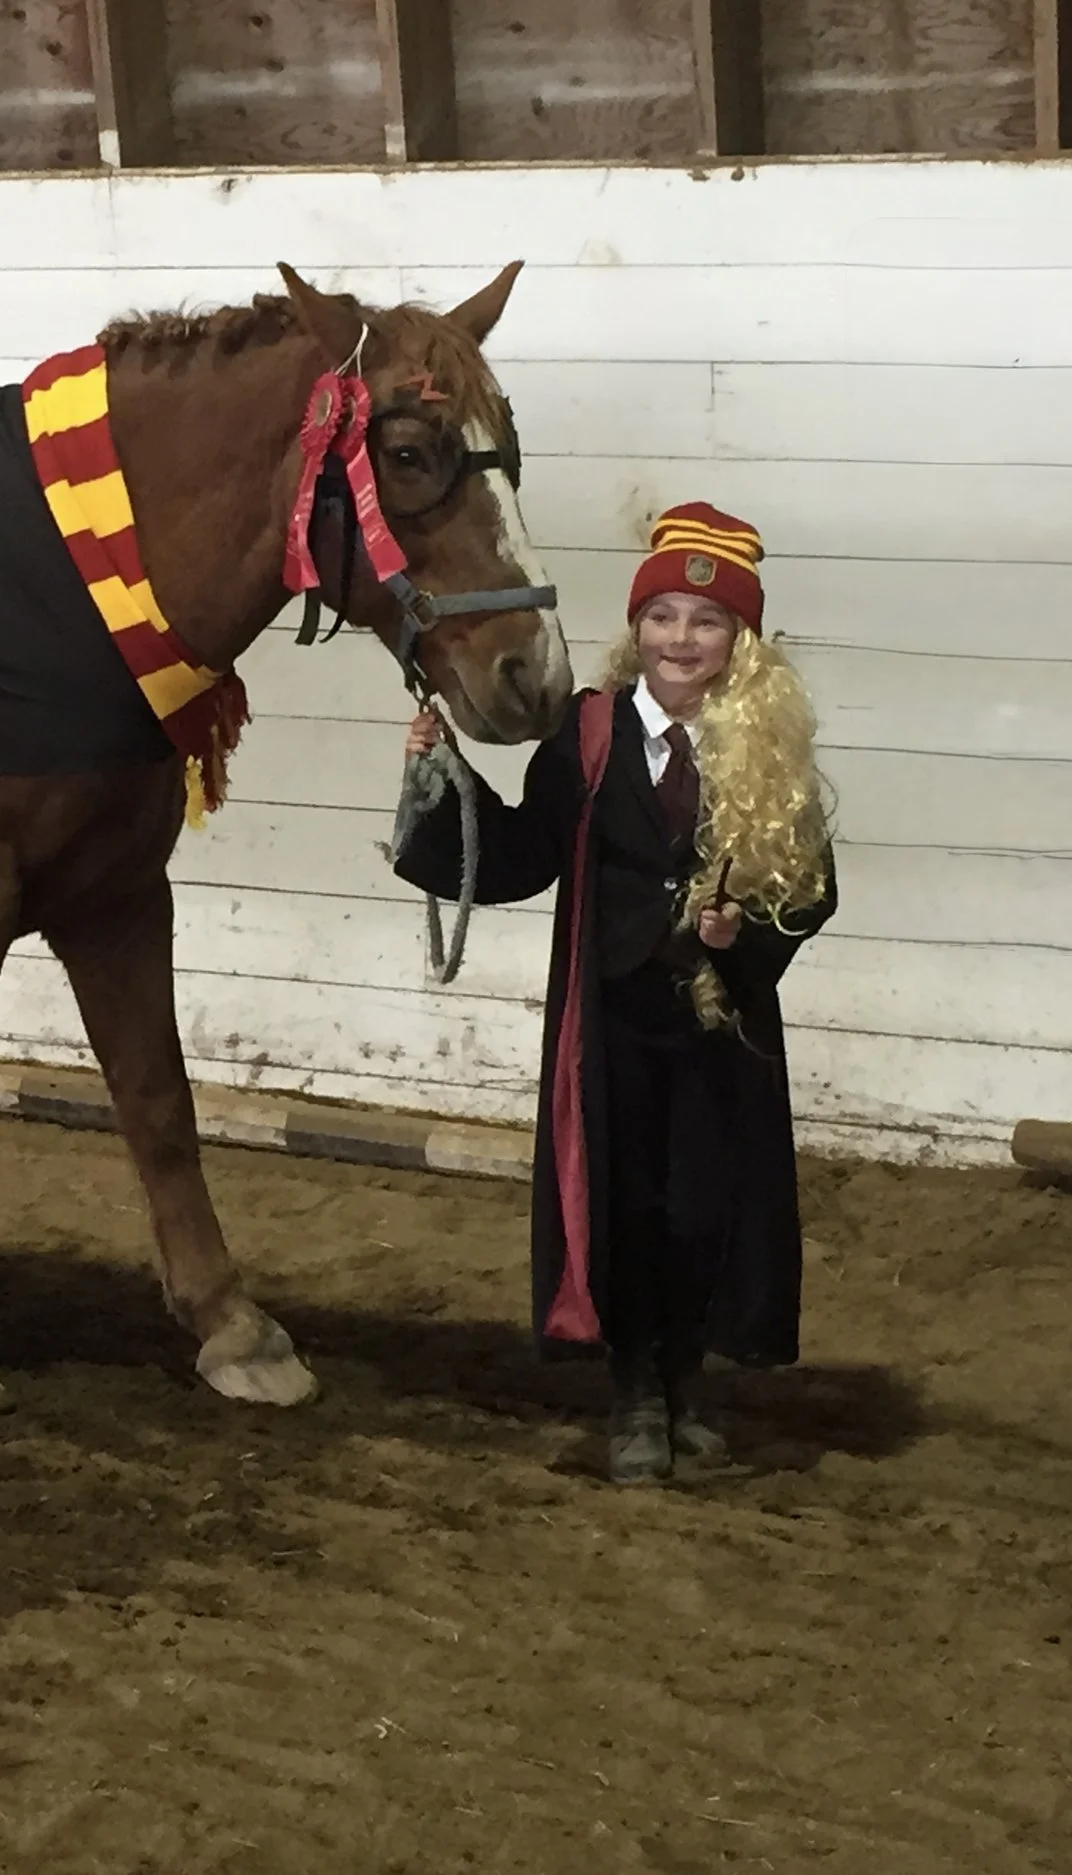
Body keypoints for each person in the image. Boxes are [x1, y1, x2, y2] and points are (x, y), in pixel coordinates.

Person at [394, 503, 837, 1482]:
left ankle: (686, 1386)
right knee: (625, 1206)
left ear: (740, 639)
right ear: (637, 627)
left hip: (721, 1028)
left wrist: (741, 938)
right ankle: (634, 1394)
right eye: (663, 615)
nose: (682, 638)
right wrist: (440, 778)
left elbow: (812, 892)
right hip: (611, 1026)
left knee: (703, 1212)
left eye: (708, 621)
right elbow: (522, 853)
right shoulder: (587, 734)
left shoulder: (767, 749)